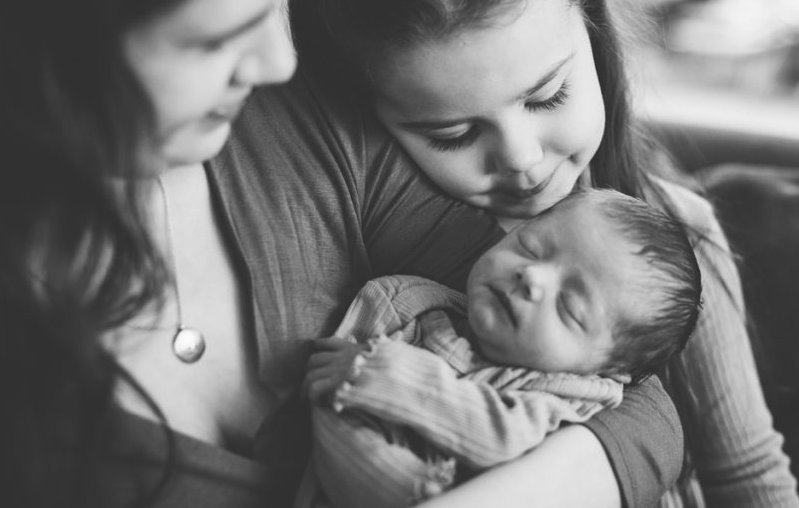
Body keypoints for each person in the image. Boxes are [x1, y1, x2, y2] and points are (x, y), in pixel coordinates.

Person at [0, 0, 682, 507]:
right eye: (215, 36)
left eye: (276, 4)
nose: (278, 62)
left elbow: (633, 402)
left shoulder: (311, 132)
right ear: (49, 33)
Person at [288, 0, 799, 507]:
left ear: (590, 21)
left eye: (548, 95)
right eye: (454, 131)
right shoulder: (382, 230)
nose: (523, 159)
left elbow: (749, 475)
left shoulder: (679, 235)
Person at [296, 188, 703, 508]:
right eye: (530, 247)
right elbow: (325, 392)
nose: (532, 277)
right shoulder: (407, 305)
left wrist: (379, 374)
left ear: (607, 370)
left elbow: (499, 438)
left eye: (569, 307)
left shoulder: (563, 395)